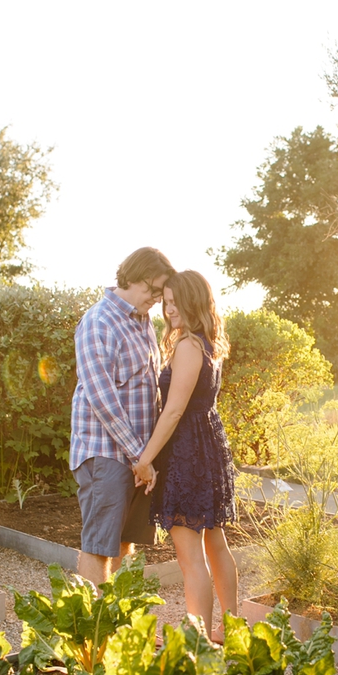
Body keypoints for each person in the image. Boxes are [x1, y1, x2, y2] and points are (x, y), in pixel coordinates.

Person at [133, 270, 237, 640]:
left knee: (190, 551)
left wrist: (146, 459)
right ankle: (231, 627)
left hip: (187, 453)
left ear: (193, 302)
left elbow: (174, 410)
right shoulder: (208, 342)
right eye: (166, 301)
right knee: (214, 540)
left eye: (176, 302)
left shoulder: (188, 345)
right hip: (207, 444)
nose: (168, 309)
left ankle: (199, 642)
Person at [69, 246, 173, 588]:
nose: (157, 300)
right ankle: (91, 632)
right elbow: (103, 400)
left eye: (160, 294)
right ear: (132, 277)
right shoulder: (98, 322)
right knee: (99, 545)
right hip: (107, 453)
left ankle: (113, 625)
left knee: (125, 540)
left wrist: (146, 457)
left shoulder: (142, 321)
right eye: (153, 290)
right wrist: (138, 456)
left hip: (137, 457)